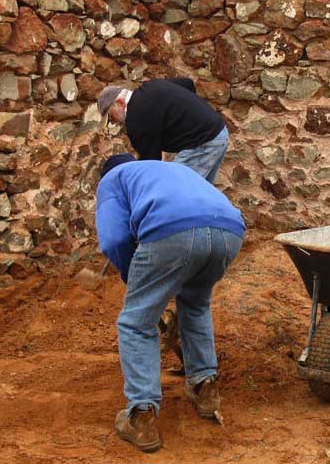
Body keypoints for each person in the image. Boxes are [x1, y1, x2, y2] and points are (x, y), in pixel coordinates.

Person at [95, 154, 245, 453]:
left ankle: (141, 415)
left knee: (135, 323)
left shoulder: (112, 179)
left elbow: (114, 240)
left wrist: (133, 278)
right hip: (230, 230)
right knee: (195, 304)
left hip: (173, 230)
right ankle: (204, 388)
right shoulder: (167, 171)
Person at [96, 78, 229, 183]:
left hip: (202, 143)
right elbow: (187, 83)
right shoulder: (152, 85)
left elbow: (151, 163)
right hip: (219, 130)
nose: (114, 122)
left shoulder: (135, 119)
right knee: (202, 194)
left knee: (174, 194)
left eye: (111, 117)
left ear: (120, 103)